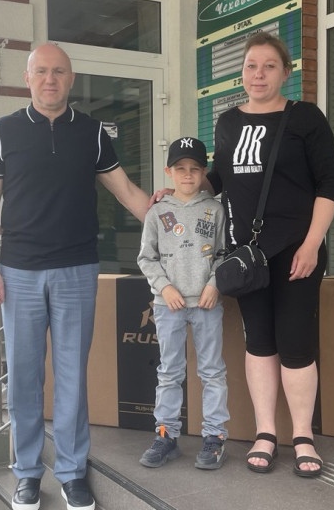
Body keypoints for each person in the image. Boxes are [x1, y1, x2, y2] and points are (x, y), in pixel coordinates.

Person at [151, 32, 334, 477]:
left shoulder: (306, 118)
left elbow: (329, 184)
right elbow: (220, 178)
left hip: (297, 252)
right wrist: (180, 187)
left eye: (269, 66)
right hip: (247, 256)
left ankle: (303, 436)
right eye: (251, 66)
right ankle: (265, 432)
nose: (259, 74)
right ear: (242, 73)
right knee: (259, 342)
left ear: (285, 72)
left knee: (295, 342)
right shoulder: (228, 122)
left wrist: (312, 244)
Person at [0, 43, 148, 510]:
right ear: (28, 78)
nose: (50, 79)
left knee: (72, 376)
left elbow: (126, 191)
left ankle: (72, 472)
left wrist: (172, 217)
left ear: (71, 79)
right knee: (24, 378)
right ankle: (28, 473)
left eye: (59, 72)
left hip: (77, 269)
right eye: (41, 72)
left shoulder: (92, 133)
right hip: (19, 272)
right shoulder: (3, 131)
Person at [136, 137, 230, 471]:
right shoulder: (157, 212)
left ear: (204, 172)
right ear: (169, 172)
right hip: (168, 305)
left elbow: (223, 253)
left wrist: (215, 284)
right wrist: (164, 288)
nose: (187, 175)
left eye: (194, 168)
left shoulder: (215, 210)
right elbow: (146, 258)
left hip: (206, 304)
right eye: (180, 169)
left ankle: (215, 436)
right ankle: (166, 435)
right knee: (170, 371)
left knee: (212, 371)